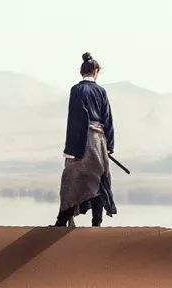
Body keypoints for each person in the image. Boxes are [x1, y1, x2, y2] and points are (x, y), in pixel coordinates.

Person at [54, 52, 117, 227]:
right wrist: (109, 145)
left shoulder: (76, 90)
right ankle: (96, 223)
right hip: (98, 142)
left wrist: (71, 148)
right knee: (97, 179)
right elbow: (107, 119)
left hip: (79, 142)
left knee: (71, 179)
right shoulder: (101, 91)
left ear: (81, 71)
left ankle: (61, 222)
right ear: (96, 71)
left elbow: (74, 120)